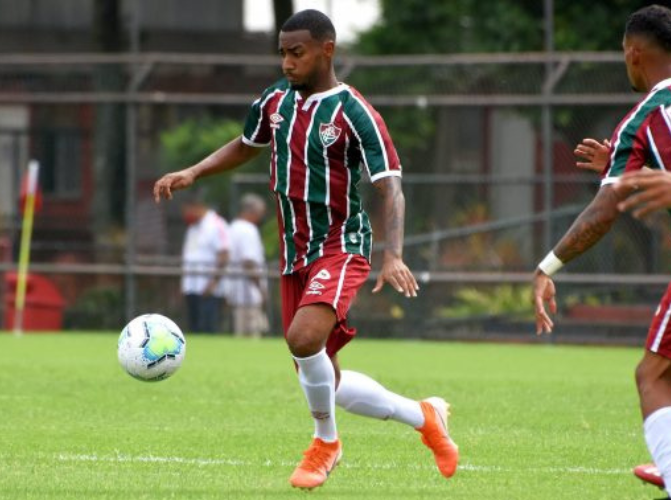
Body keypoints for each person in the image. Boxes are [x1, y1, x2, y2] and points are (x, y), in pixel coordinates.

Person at [154, 9, 458, 491]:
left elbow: (391, 186)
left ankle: (326, 444)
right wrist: (194, 172)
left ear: (327, 49)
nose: (287, 63)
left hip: (340, 244)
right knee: (324, 378)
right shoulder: (276, 99)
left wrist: (393, 253)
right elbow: (247, 142)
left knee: (302, 339)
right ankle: (424, 418)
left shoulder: (354, 111)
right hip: (293, 254)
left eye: (297, 53)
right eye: (282, 53)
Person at [533, 6, 671, 497]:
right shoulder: (640, 129)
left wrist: (547, 266)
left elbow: (602, 213)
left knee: (654, 376)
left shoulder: (648, 114)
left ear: (633, 53)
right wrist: (618, 164)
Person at [180, 189, 229, 333]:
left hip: (209, 289)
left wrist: (213, 283)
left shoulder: (216, 223)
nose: (185, 214)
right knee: (194, 329)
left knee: (208, 329)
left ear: (197, 206)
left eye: (186, 209)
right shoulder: (193, 227)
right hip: (191, 287)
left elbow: (224, 254)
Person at [226, 193, 269, 338]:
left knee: (239, 332)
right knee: (251, 334)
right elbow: (248, 261)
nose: (261, 217)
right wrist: (260, 289)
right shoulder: (248, 229)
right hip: (248, 293)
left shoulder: (233, 227)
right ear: (252, 211)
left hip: (235, 291)